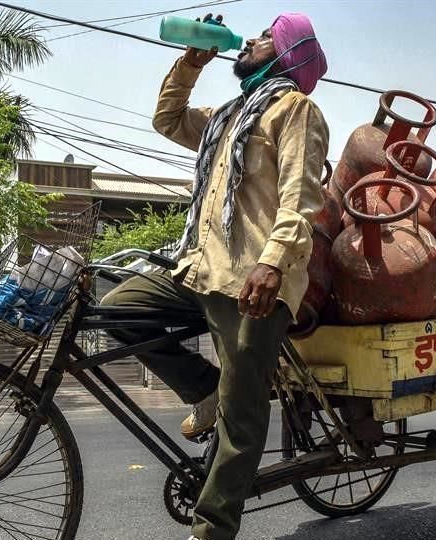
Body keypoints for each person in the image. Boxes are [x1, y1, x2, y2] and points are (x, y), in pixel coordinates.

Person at [100, 11, 329, 540]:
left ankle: (212, 530)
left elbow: (301, 197)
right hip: (199, 268)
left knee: (242, 416)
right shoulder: (231, 114)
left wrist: (272, 263)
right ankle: (207, 390)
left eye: (266, 36)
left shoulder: (296, 110)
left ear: (287, 53)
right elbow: (168, 119)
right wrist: (190, 62)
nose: (248, 40)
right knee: (118, 308)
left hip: (253, 280)